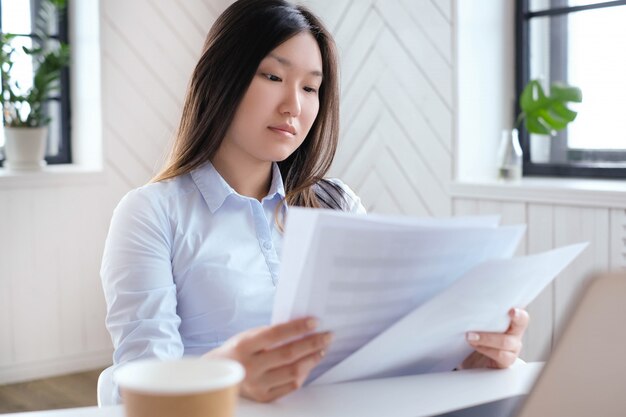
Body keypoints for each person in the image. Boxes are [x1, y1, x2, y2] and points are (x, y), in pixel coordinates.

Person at [101, 0, 529, 404]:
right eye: (272, 77)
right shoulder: (151, 213)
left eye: (310, 87)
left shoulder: (336, 202)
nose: (293, 105)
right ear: (221, 78)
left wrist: (464, 356)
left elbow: (383, 348)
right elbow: (137, 390)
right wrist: (227, 375)